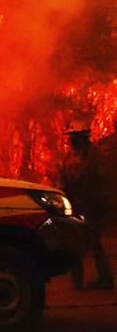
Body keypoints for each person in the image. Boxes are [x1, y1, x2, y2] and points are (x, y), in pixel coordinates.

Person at [58, 122, 114, 290]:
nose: (71, 142)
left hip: (92, 205)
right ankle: (78, 282)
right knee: (74, 244)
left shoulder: (95, 156)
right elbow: (64, 180)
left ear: (83, 138)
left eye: (74, 138)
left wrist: (102, 204)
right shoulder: (68, 157)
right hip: (75, 205)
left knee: (94, 243)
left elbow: (102, 181)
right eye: (71, 138)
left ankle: (105, 279)